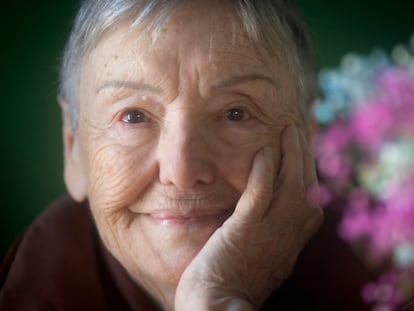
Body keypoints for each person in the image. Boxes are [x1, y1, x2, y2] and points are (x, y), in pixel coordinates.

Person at [0, 1, 412, 310]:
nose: (182, 170)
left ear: (307, 138)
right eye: (133, 116)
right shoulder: (29, 290)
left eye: (236, 113)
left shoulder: (392, 284)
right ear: (73, 147)